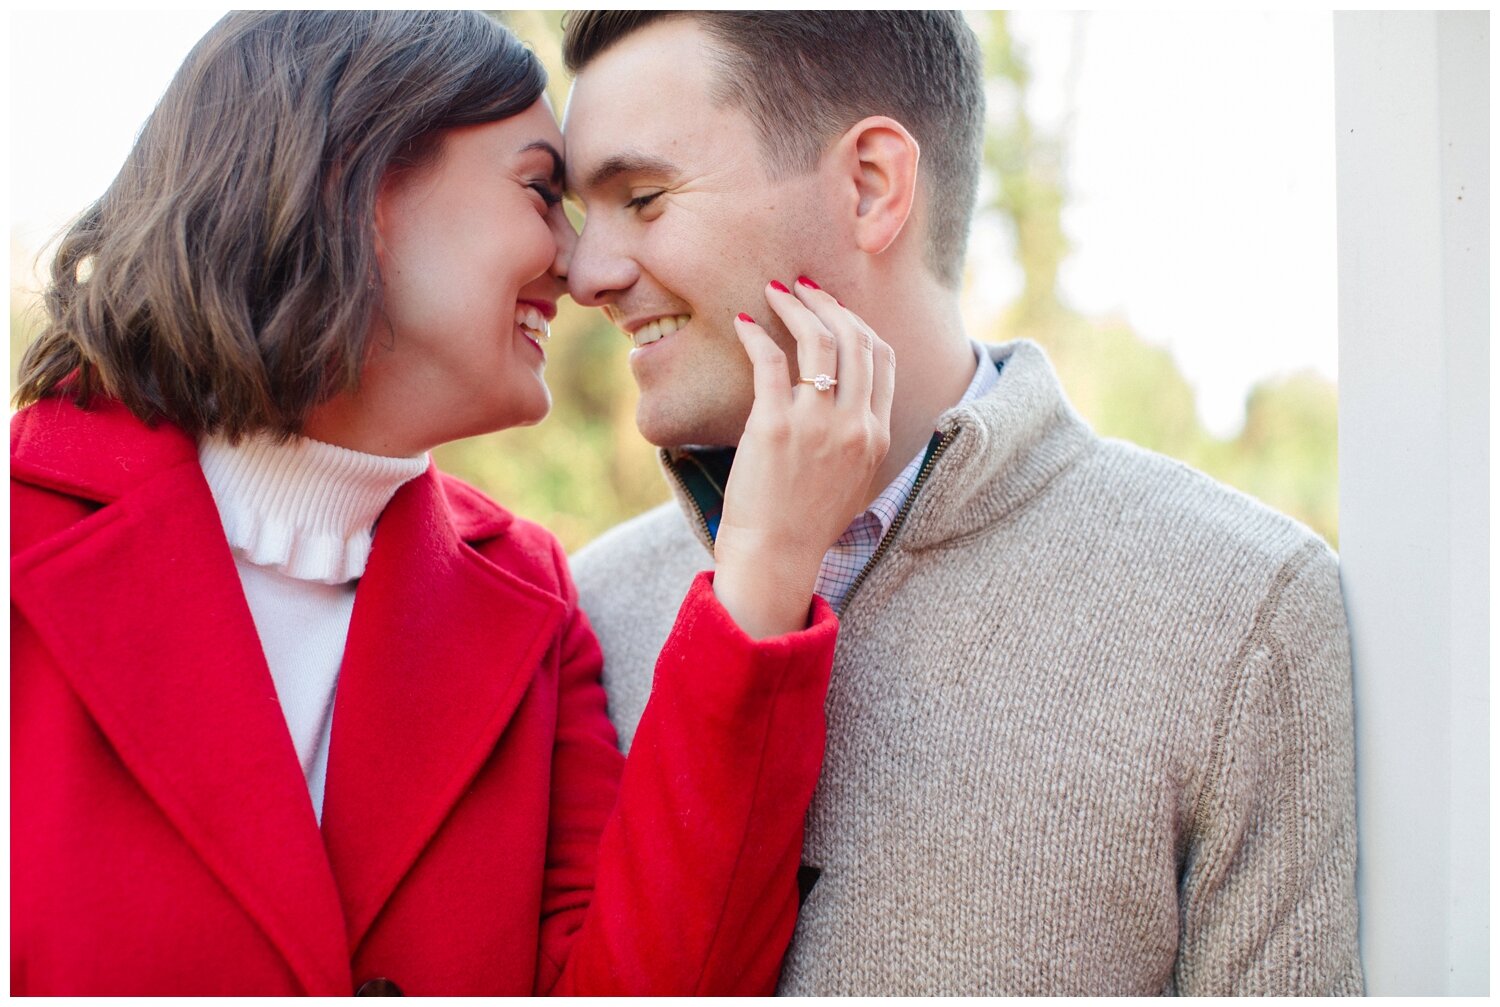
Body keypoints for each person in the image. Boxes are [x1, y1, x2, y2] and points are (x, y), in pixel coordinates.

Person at [10, 11, 896, 996]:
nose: (579, 263)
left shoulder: (533, 601)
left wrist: (768, 565)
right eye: (540, 191)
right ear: (352, 179)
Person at [560, 10, 1362, 996]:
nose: (584, 274)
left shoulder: (1244, 611)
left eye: (640, 198)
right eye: (578, 214)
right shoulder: (587, 613)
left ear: (870, 186)